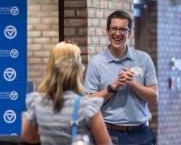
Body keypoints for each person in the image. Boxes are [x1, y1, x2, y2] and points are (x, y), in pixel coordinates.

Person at [84, 10, 158, 145]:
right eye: (114, 29)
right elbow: (89, 102)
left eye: (123, 29)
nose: (118, 33)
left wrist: (133, 84)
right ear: (107, 31)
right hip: (108, 133)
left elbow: (153, 98)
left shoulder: (144, 59)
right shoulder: (96, 63)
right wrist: (112, 87)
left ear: (129, 33)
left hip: (142, 134)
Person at [21, 41, 112, 145]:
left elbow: (28, 137)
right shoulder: (87, 107)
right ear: (78, 68)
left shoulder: (36, 103)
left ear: (51, 66)